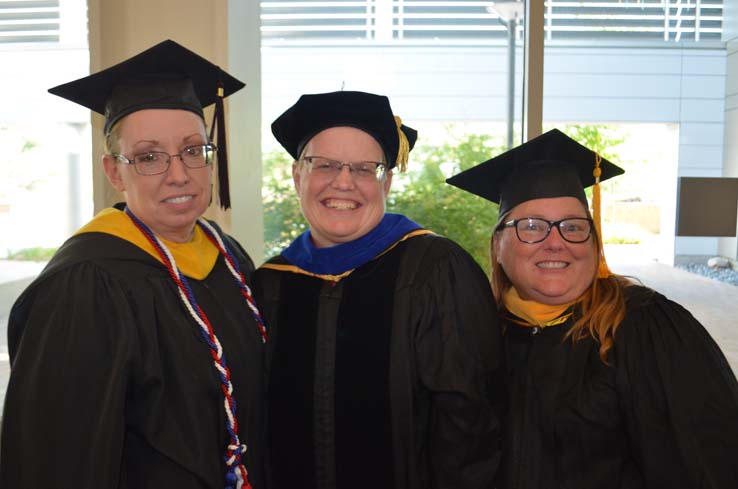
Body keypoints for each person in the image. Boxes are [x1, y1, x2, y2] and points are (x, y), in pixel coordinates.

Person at [0, 40, 267, 489]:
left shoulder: (228, 256)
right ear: (113, 172)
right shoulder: (85, 285)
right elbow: (55, 458)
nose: (178, 173)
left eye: (192, 150)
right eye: (147, 157)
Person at [446, 128, 738, 489]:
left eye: (573, 226)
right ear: (499, 247)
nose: (556, 242)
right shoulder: (477, 338)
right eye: (532, 226)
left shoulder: (648, 327)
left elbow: (710, 463)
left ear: (594, 242)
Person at [254, 90, 504, 489]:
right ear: (297, 175)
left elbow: (470, 429)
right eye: (324, 165)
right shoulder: (271, 283)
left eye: (365, 169)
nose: (343, 182)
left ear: (386, 182)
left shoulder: (435, 271)